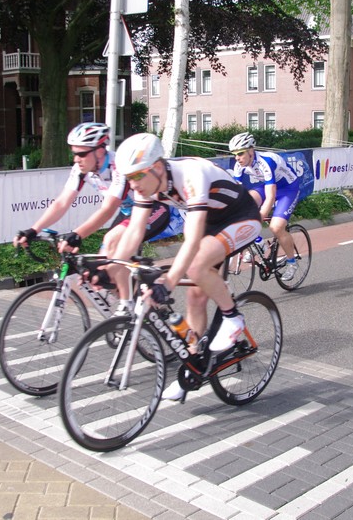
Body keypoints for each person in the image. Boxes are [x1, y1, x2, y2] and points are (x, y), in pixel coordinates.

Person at [112, 133, 262, 402]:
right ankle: (193, 367)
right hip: (212, 223)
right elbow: (134, 231)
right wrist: (110, 269)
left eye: (136, 176)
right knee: (195, 295)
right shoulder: (148, 185)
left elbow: (191, 241)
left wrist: (169, 282)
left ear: (157, 167)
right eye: (128, 178)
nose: (132, 185)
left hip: (241, 217)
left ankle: (232, 317)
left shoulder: (190, 174)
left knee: (195, 267)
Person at [13, 122, 182, 309]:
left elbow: (108, 208)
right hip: (128, 213)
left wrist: (77, 235)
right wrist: (34, 229)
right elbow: (62, 202)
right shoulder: (81, 170)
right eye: (74, 153)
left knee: (111, 240)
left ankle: (128, 309)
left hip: (153, 208)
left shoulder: (119, 166)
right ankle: (129, 308)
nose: (76, 159)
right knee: (104, 265)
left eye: (82, 154)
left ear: (100, 151)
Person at [228, 132, 302, 280]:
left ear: (251, 151)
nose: (237, 158)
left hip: (288, 188)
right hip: (267, 186)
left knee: (276, 227)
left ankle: (292, 263)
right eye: (234, 154)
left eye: (240, 153)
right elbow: (238, 193)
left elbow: (270, 197)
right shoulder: (238, 166)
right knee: (244, 205)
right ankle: (259, 243)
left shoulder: (265, 162)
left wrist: (259, 218)